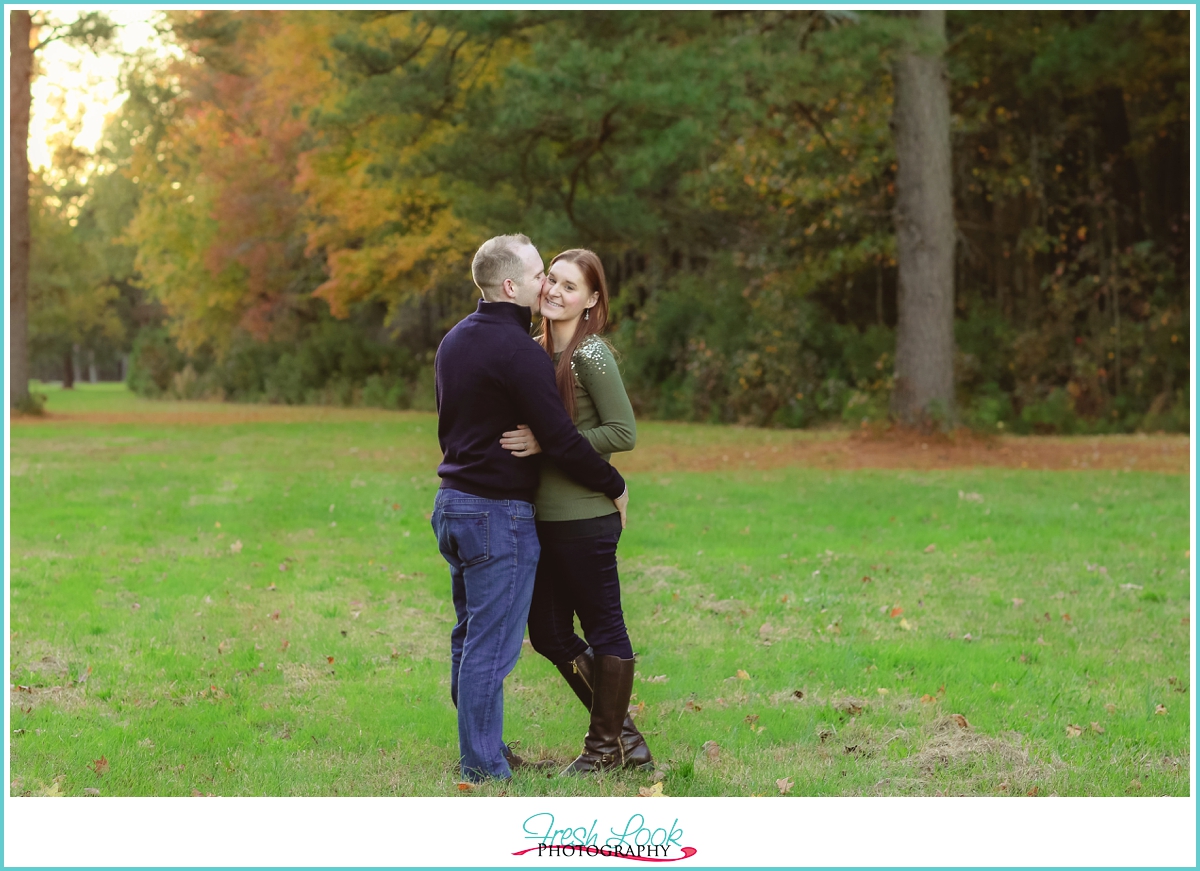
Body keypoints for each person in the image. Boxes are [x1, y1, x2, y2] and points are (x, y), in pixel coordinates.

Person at [431, 234, 629, 783]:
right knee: (489, 649)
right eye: (542, 273)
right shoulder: (520, 351)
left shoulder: (454, 341)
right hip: (495, 514)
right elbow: (561, 439)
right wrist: (613, 484)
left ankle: (484, 749)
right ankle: (484, 766)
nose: (547, 283)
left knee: (470, 639)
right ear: (512, 285)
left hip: (451, 506)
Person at [499, 249, 653, 774]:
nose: (556, 292)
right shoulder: (535, 350)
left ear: (591, 300)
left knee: (606, 627)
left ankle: (601, 749)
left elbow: (622, 433)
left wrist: (550, 441)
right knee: (547, 631)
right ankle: (624, 740)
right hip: (543, 516)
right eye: (553, 281)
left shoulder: (590, 356)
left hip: (585, 517)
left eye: (571, 287)